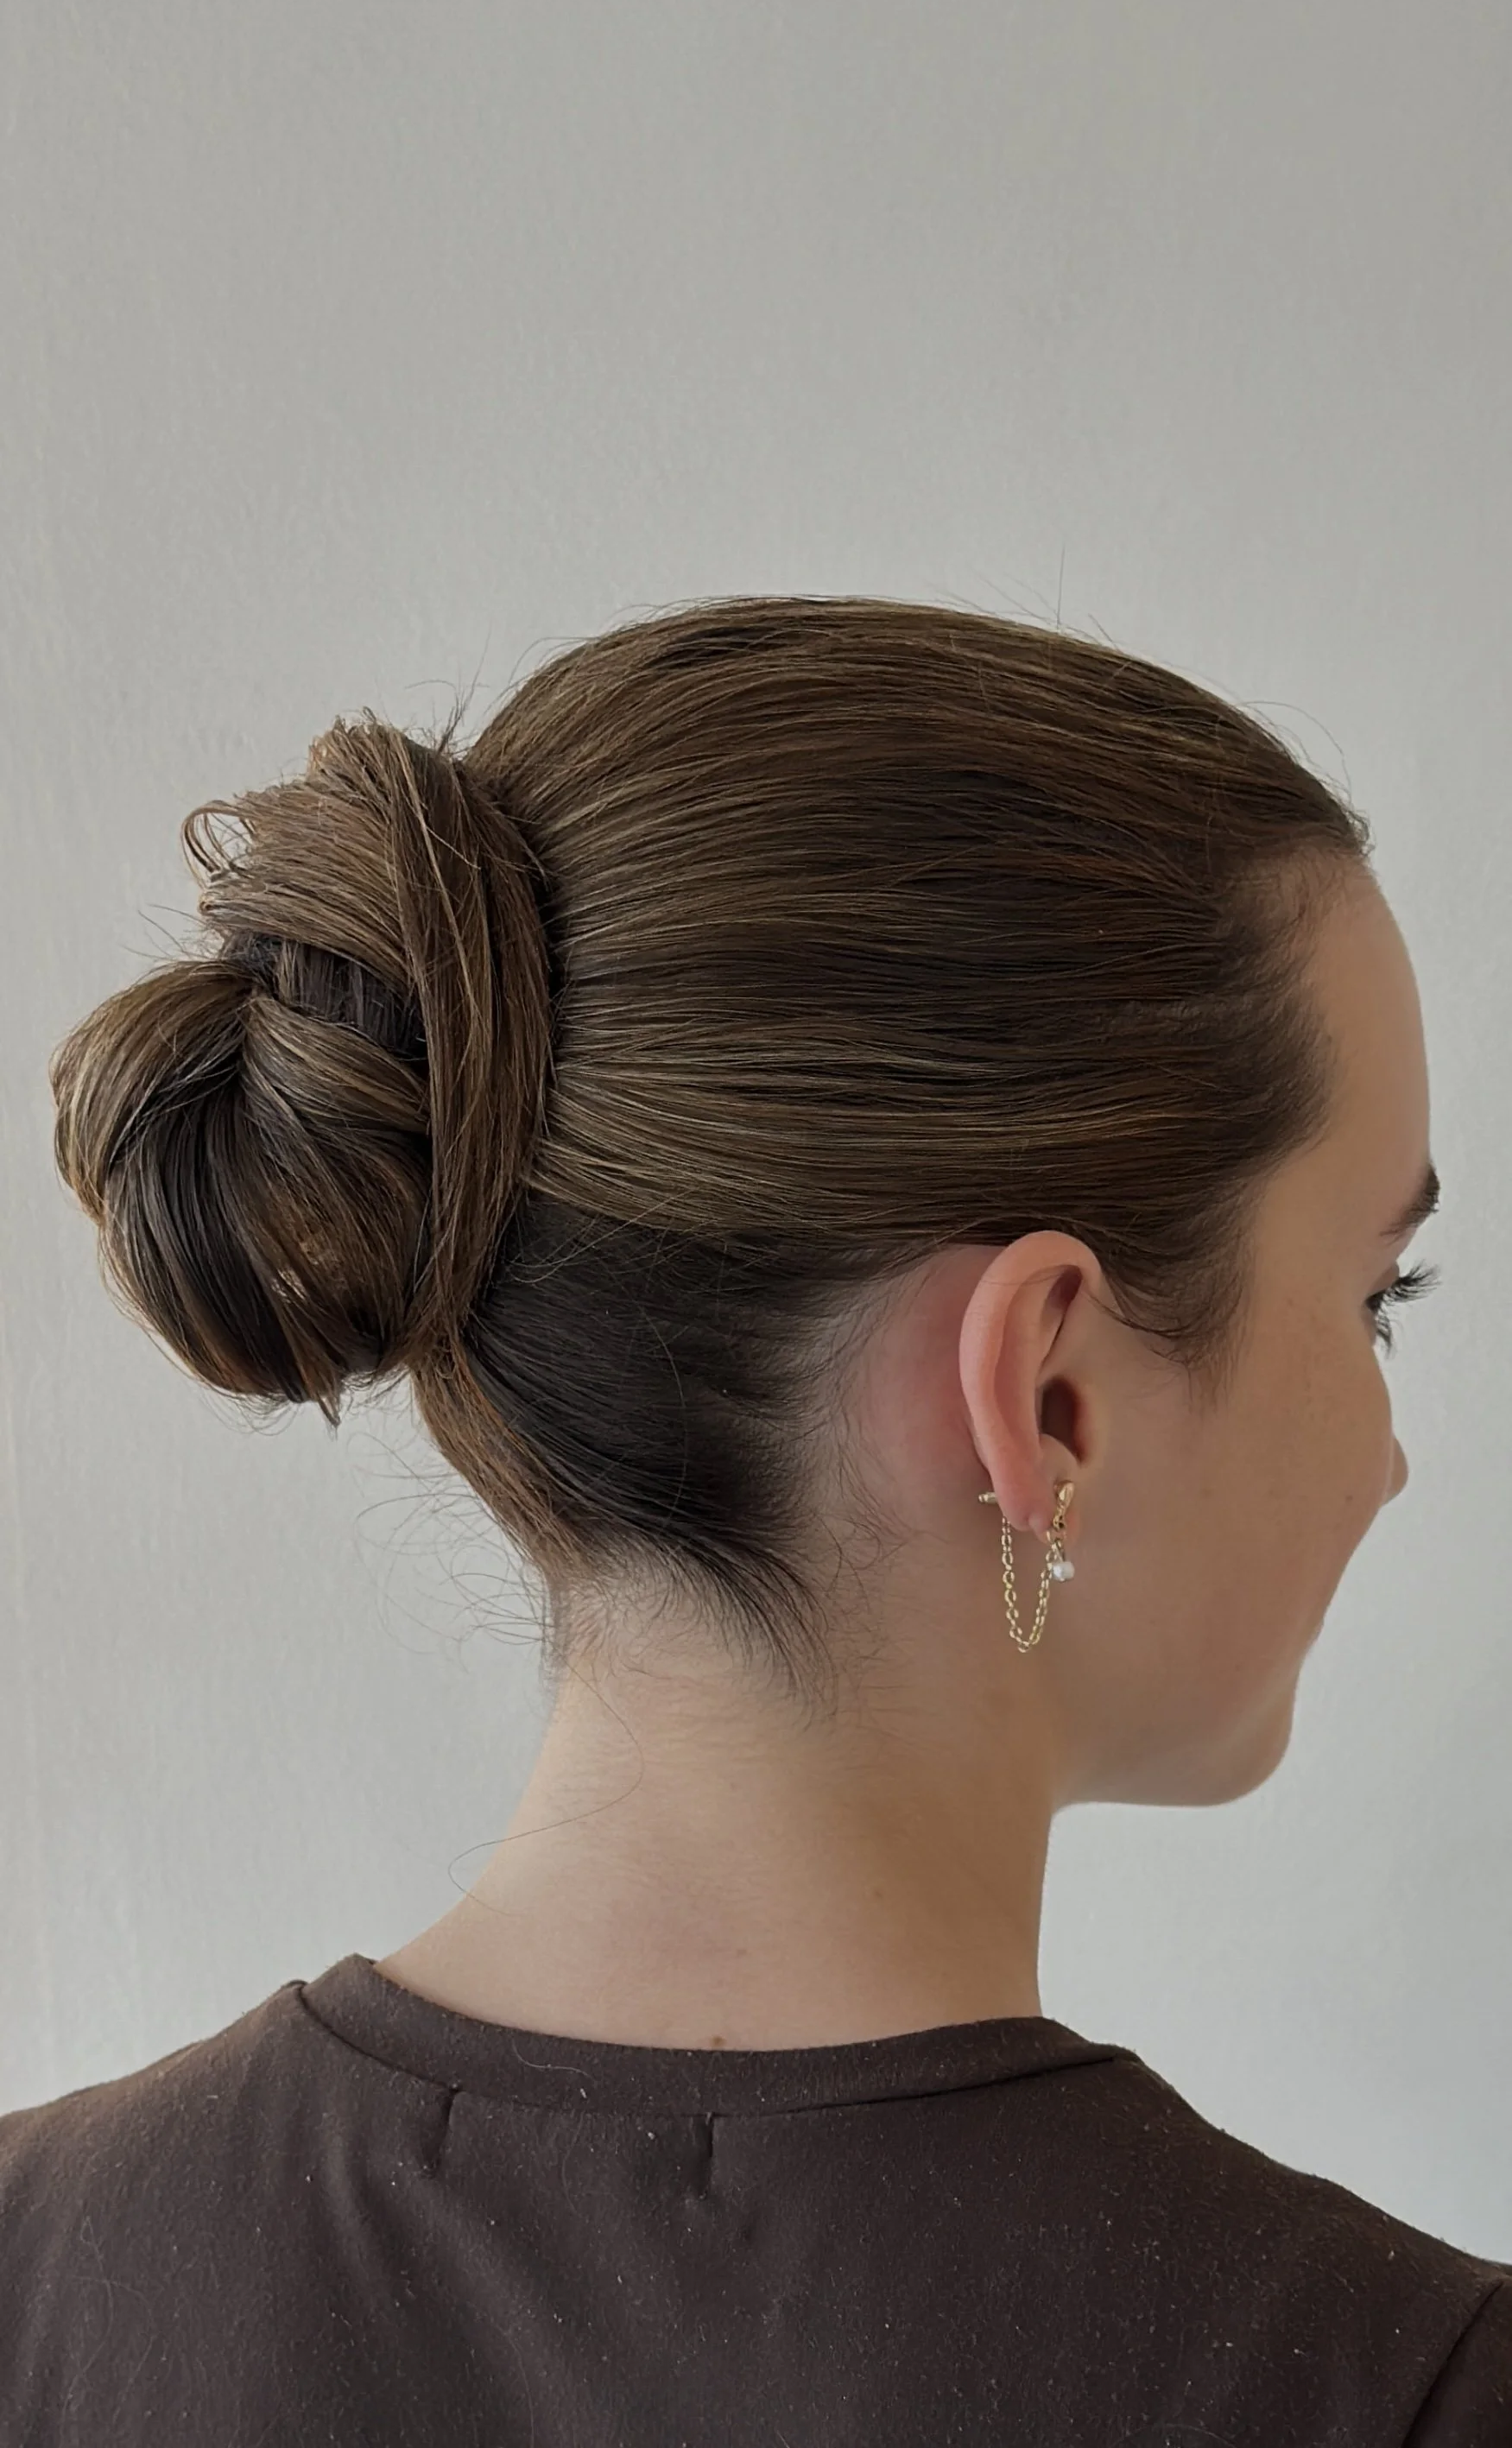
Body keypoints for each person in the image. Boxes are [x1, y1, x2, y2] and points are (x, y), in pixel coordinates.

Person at [2, 593, 1506, 2444]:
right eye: (1373, 1294)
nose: (1387, 1456)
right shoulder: (1403, 2387)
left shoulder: (30, 2275)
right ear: (1046, 1391)